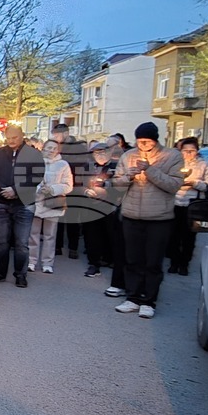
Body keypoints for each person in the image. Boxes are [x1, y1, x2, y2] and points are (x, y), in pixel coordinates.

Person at [110, 122, 185, 319]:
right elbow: (116, 184)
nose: (143, 145)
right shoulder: (128, 155)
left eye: (147, 141)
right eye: (139, 141)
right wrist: (128, 176)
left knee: (153, 261)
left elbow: (174, 185)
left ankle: (149, 300)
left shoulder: (172, 156)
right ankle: (132, 297)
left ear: (155, 139)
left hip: (159, 217)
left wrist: (150, 170)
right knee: (132, 259)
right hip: (131, 215)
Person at [0, 125, 44, 288]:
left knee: (21, 243)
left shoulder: (33, 154)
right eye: (8, 138)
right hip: (1, 201)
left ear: (22, 135)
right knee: (1, 241)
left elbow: (37, 176)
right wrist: (4, 190)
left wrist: (16, 190)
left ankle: (20, 274)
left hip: (24, 203)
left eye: (14, 137)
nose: (11, 141)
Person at [82, 138, 127, 296]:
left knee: (112, 236)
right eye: (96, 152)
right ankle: (94, 263)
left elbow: (121, 185)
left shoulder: (116, 166)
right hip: (91, 206)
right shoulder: (88, 166)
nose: (99, 155)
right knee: (92, 236)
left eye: (102, 152)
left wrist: (107, 189)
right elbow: (81, 183)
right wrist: (87, 191)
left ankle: (112, 260)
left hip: (110, 207)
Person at [27, 139, 73, 274]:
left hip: (53, 202)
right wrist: (38, 188)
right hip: (35, 202)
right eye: (49, 148)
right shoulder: (34, 163)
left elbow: (68, 185)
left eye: (54, 148)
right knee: (33, 234)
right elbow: (27, 180)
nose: (51, 150)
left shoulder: (63, 165)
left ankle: (47, 262)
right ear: (43, 149)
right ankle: (31, 260)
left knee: (50, 235)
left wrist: (53, 189)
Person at [168, 137, 208, 275]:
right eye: (185, 151)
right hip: (175, 202)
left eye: (191, 151)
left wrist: (194, 183)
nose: (188, 154)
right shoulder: (174, 164)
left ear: (197, 151)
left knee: (189, 236)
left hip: (193, 204)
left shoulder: (204, 165)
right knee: (174, 235)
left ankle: (184, 263)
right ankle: (174, 262)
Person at [51, 123, 91, 260]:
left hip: (75, 186)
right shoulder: (56, 147)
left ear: (66, 133)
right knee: (59, 218)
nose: (55, 137)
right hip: (59, 186)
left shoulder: (78, 147)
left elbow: (82, 164)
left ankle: (73, 247)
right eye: (54, 135)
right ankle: (58, 246)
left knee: (73, 218)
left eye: (57, 134)